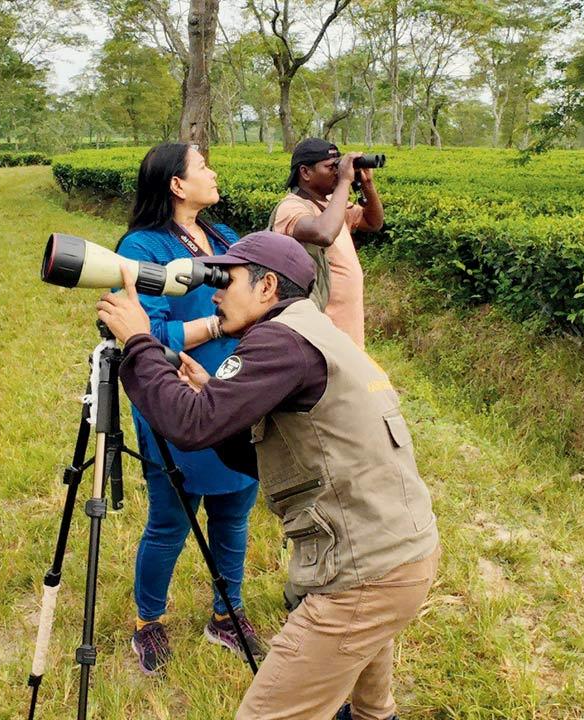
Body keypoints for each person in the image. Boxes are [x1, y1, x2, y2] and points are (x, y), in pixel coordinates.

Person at [98, 231, 440, 720]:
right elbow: (261, 454)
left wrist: (138, 341)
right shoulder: (311, 330)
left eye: (225, 279)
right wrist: (216, 400)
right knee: (370, 708)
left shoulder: (280, 341)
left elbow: (188, 426)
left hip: (364, 576)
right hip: (401, 553)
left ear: (267, 289)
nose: (214, 293)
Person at [114, 143, 267, 676]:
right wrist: (221, 327)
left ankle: (228, 614)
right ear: (177, 185)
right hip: (178, 400)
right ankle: (148, 622)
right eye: (203, 166)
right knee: (170, 521)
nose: (213, 172)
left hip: (236, 393)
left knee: (234, 514)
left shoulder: (223, 237)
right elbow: (144, 333)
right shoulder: (142, 247)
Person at [270, 138, 384, 348]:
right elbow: (324, 233)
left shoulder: (333, 204)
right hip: (319, 329)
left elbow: (373, 222)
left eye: (338, 166)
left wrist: (366, 184)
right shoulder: (292, 207)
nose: (337, 172)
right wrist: (344, 182)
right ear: (305, 172)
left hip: (346, 328)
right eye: (331, 167)